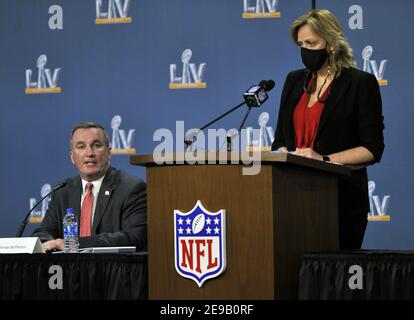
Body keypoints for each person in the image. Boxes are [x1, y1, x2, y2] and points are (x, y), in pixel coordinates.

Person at [272, 9, 384, 250]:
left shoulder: (360, 83)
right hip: (290, 199)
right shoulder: (294, 80)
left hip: (340, 201)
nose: (305, 51)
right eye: (301, 44)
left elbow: (372, 149)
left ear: (332, 44)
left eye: (311, 43)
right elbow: (280, 139)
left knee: (332, 281)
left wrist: (322, 160)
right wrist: (281, 152)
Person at [32, 122, 147, 251]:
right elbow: (42, 234)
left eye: (96, 145)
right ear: (72, 157)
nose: (89, 153)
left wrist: (72, 244)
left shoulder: (132, 188)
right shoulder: (63, 191)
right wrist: (50, 244)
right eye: (81, 147)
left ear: (109, 153)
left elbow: (135, 237)